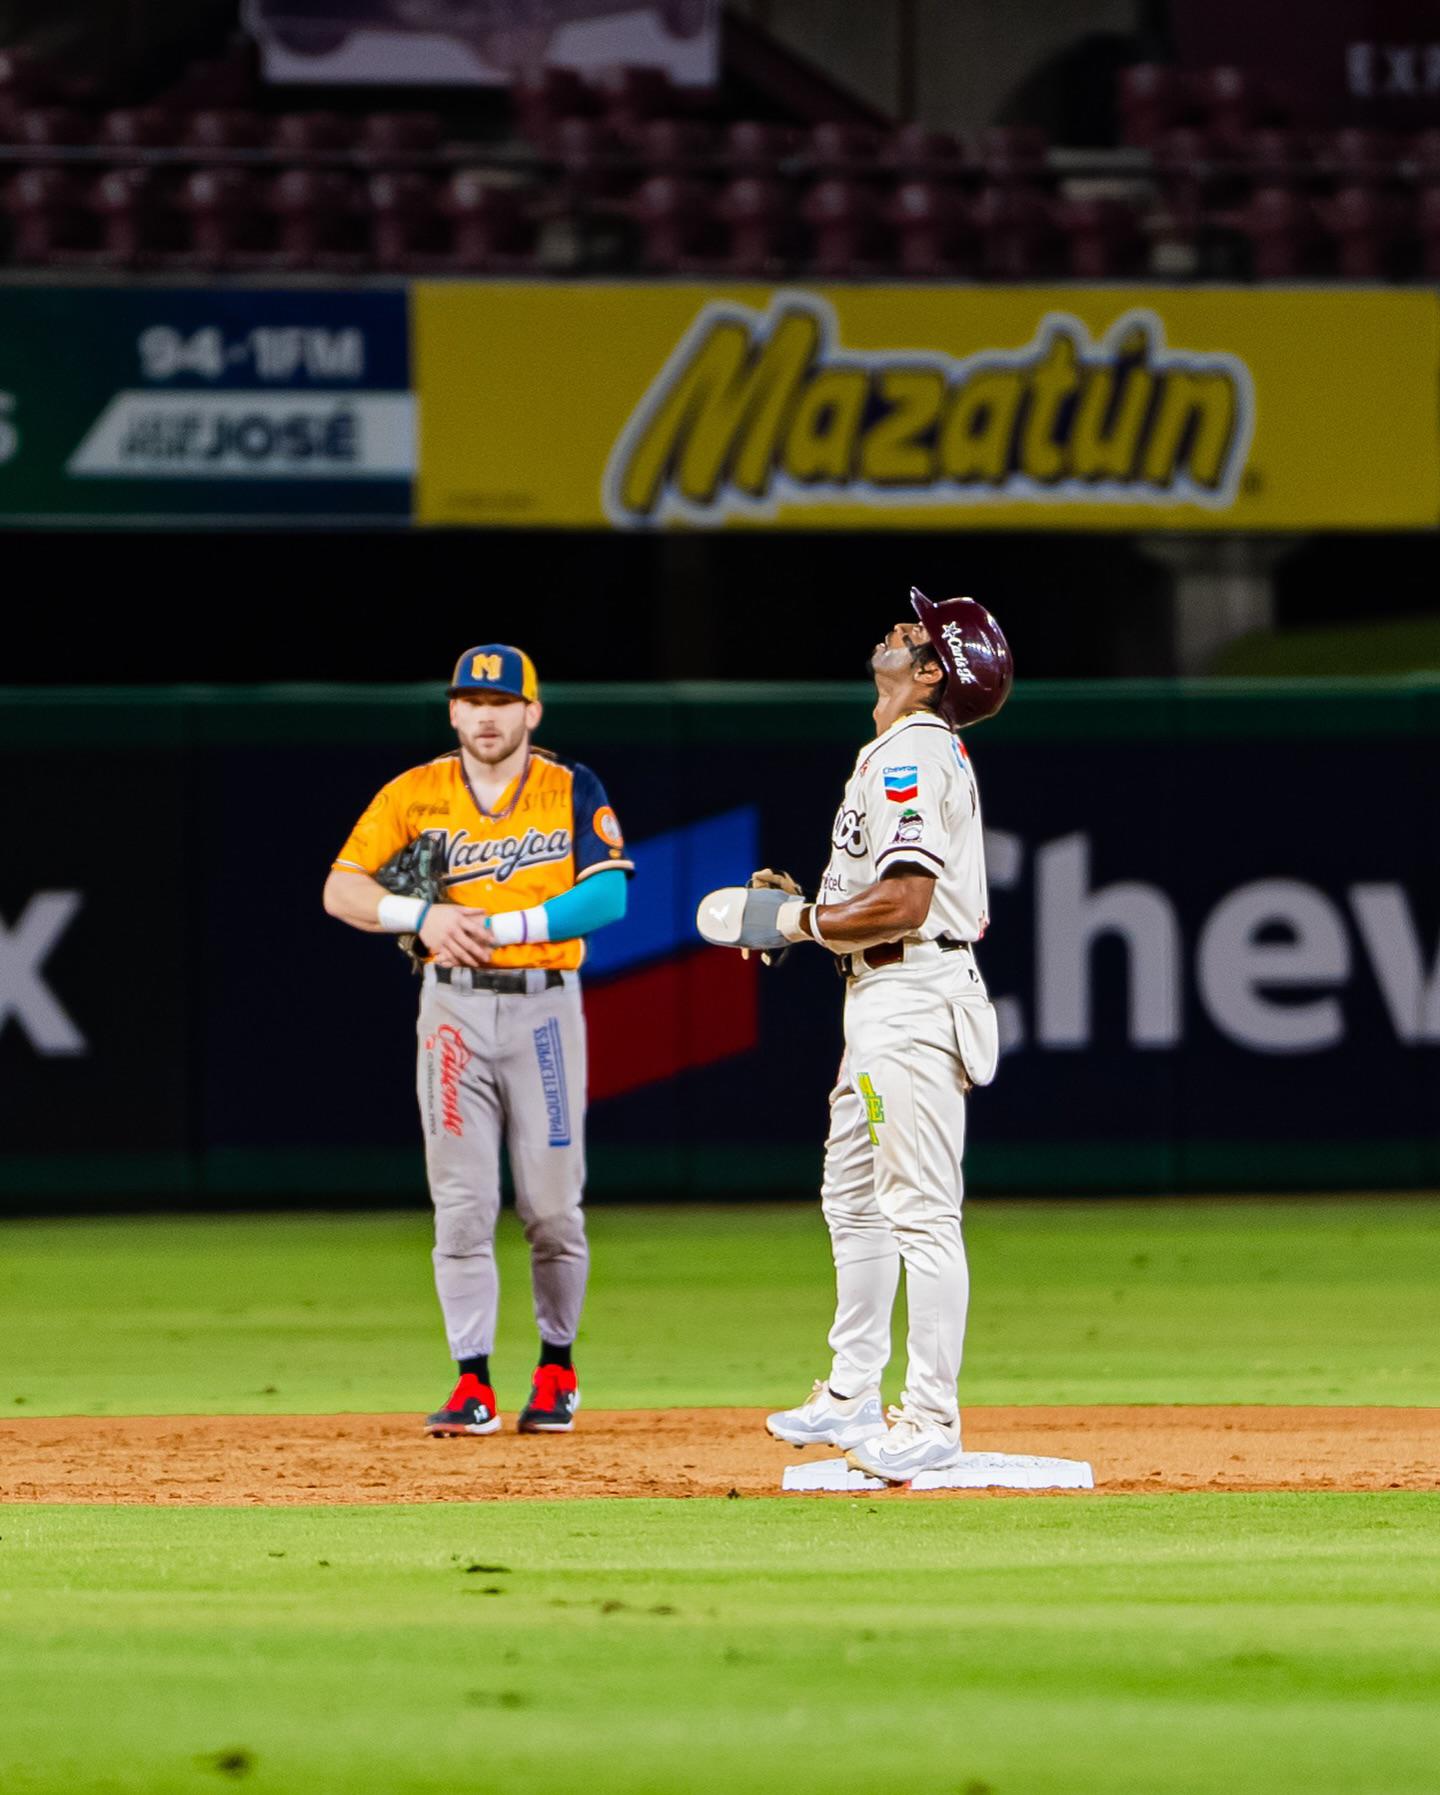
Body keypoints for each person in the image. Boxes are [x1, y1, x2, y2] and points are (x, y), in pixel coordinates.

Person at [699, 590, 1011, 1481]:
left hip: (913, 996)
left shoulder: (913, 750)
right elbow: (875, 898)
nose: (897, 628)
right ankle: (851, 1392)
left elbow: (906, 902)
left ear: (930, 674)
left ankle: (932, 1415)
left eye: (916, 632)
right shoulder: (894, 749)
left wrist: (796, 918)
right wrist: (809, 907)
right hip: (880, 994)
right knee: (853, 1198)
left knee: (919, 1211)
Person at [322, 644, 632, 1438]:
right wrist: (420, 915)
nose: (486, 714)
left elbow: (608, 893)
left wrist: (502, 926)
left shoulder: (570, 786)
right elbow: (341, 887)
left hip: (544, 1008)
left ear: (532, 711)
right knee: (460, 1205)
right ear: (453, 711)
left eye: (502, 701)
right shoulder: (414, 791)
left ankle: (557, 1368)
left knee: (553, 1207)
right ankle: (472, 1383)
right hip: (452, 1011)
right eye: (471, 700)